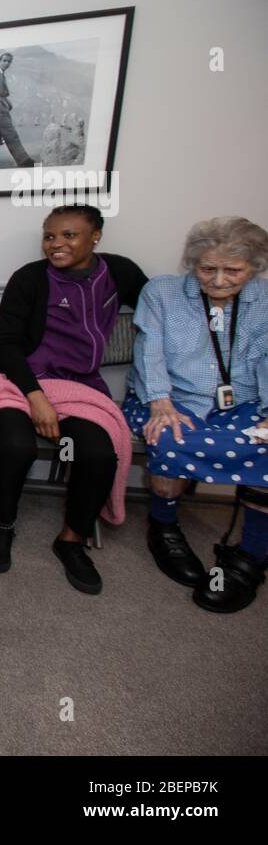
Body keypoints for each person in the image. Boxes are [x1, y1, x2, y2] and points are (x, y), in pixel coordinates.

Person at [0, 205, 147, 594]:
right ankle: (3, 525)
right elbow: (7, 343)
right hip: (13, 378)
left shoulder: (119, 272)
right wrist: (36, 397)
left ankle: (72, 540)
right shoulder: (29, 278)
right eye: (49, 236)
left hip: (76, 384)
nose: (56, 244)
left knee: (98, 453)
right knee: (16, 444)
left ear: (95, 236)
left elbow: (162, 303)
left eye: (69, 235)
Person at [124, 216, 268, 613]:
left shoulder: (266, 300)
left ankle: (250, 557)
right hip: (171, 397)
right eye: (208, 268)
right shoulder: (163, 292)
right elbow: (149, 350)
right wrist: (160, 401)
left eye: (233, 270)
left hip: (244, 402)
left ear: (254, 267)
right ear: (193, 263)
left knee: (266, 446)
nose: (219, 280)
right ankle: (165, 527)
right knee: (168, 437)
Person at [0, 51, 35, 169]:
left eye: (9, 62)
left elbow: (1, 94)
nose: (6, 63)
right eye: (4, 61)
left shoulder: (1, 75)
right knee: (11, 135)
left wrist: (8, 104)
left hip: (1, 110)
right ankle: (24, 161)